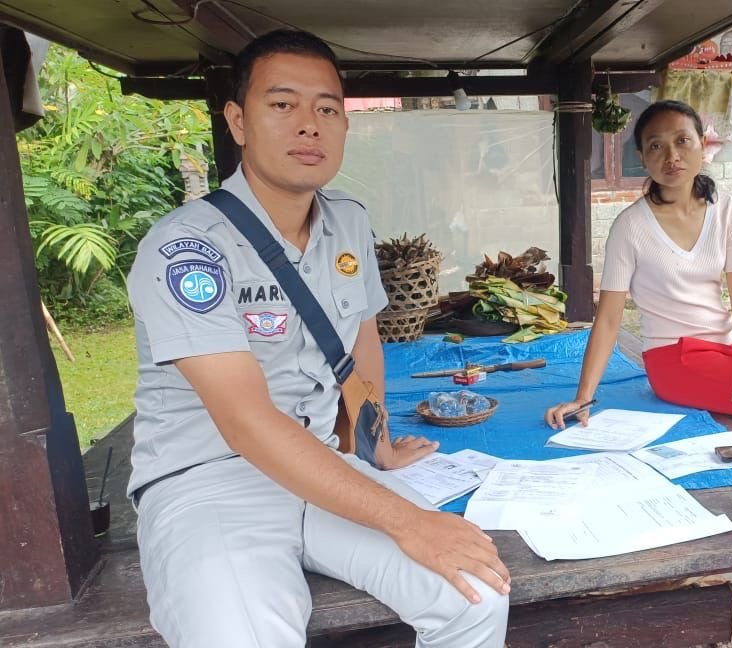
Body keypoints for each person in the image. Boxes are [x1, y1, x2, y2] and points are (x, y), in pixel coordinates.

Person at [126, 29, 509, 647]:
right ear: (238, 121)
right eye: (283, 104)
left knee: (476, 593)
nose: (309, 124)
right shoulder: (186, 250)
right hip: (209, 482)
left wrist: (375, 449)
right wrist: (407, 520)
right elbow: (247, 424)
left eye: (327, 109)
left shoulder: (347, 222)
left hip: (325, 468)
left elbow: (361, 346)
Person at [546, 100, 732, 427]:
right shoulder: (630, 227)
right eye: (656, 146)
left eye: (683, 140)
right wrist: (583, 396)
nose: (672, 156)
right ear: (642, 158)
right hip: (673, 358)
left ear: (703, 145)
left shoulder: (727, 210)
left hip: (729, 346)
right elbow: (609, 319)